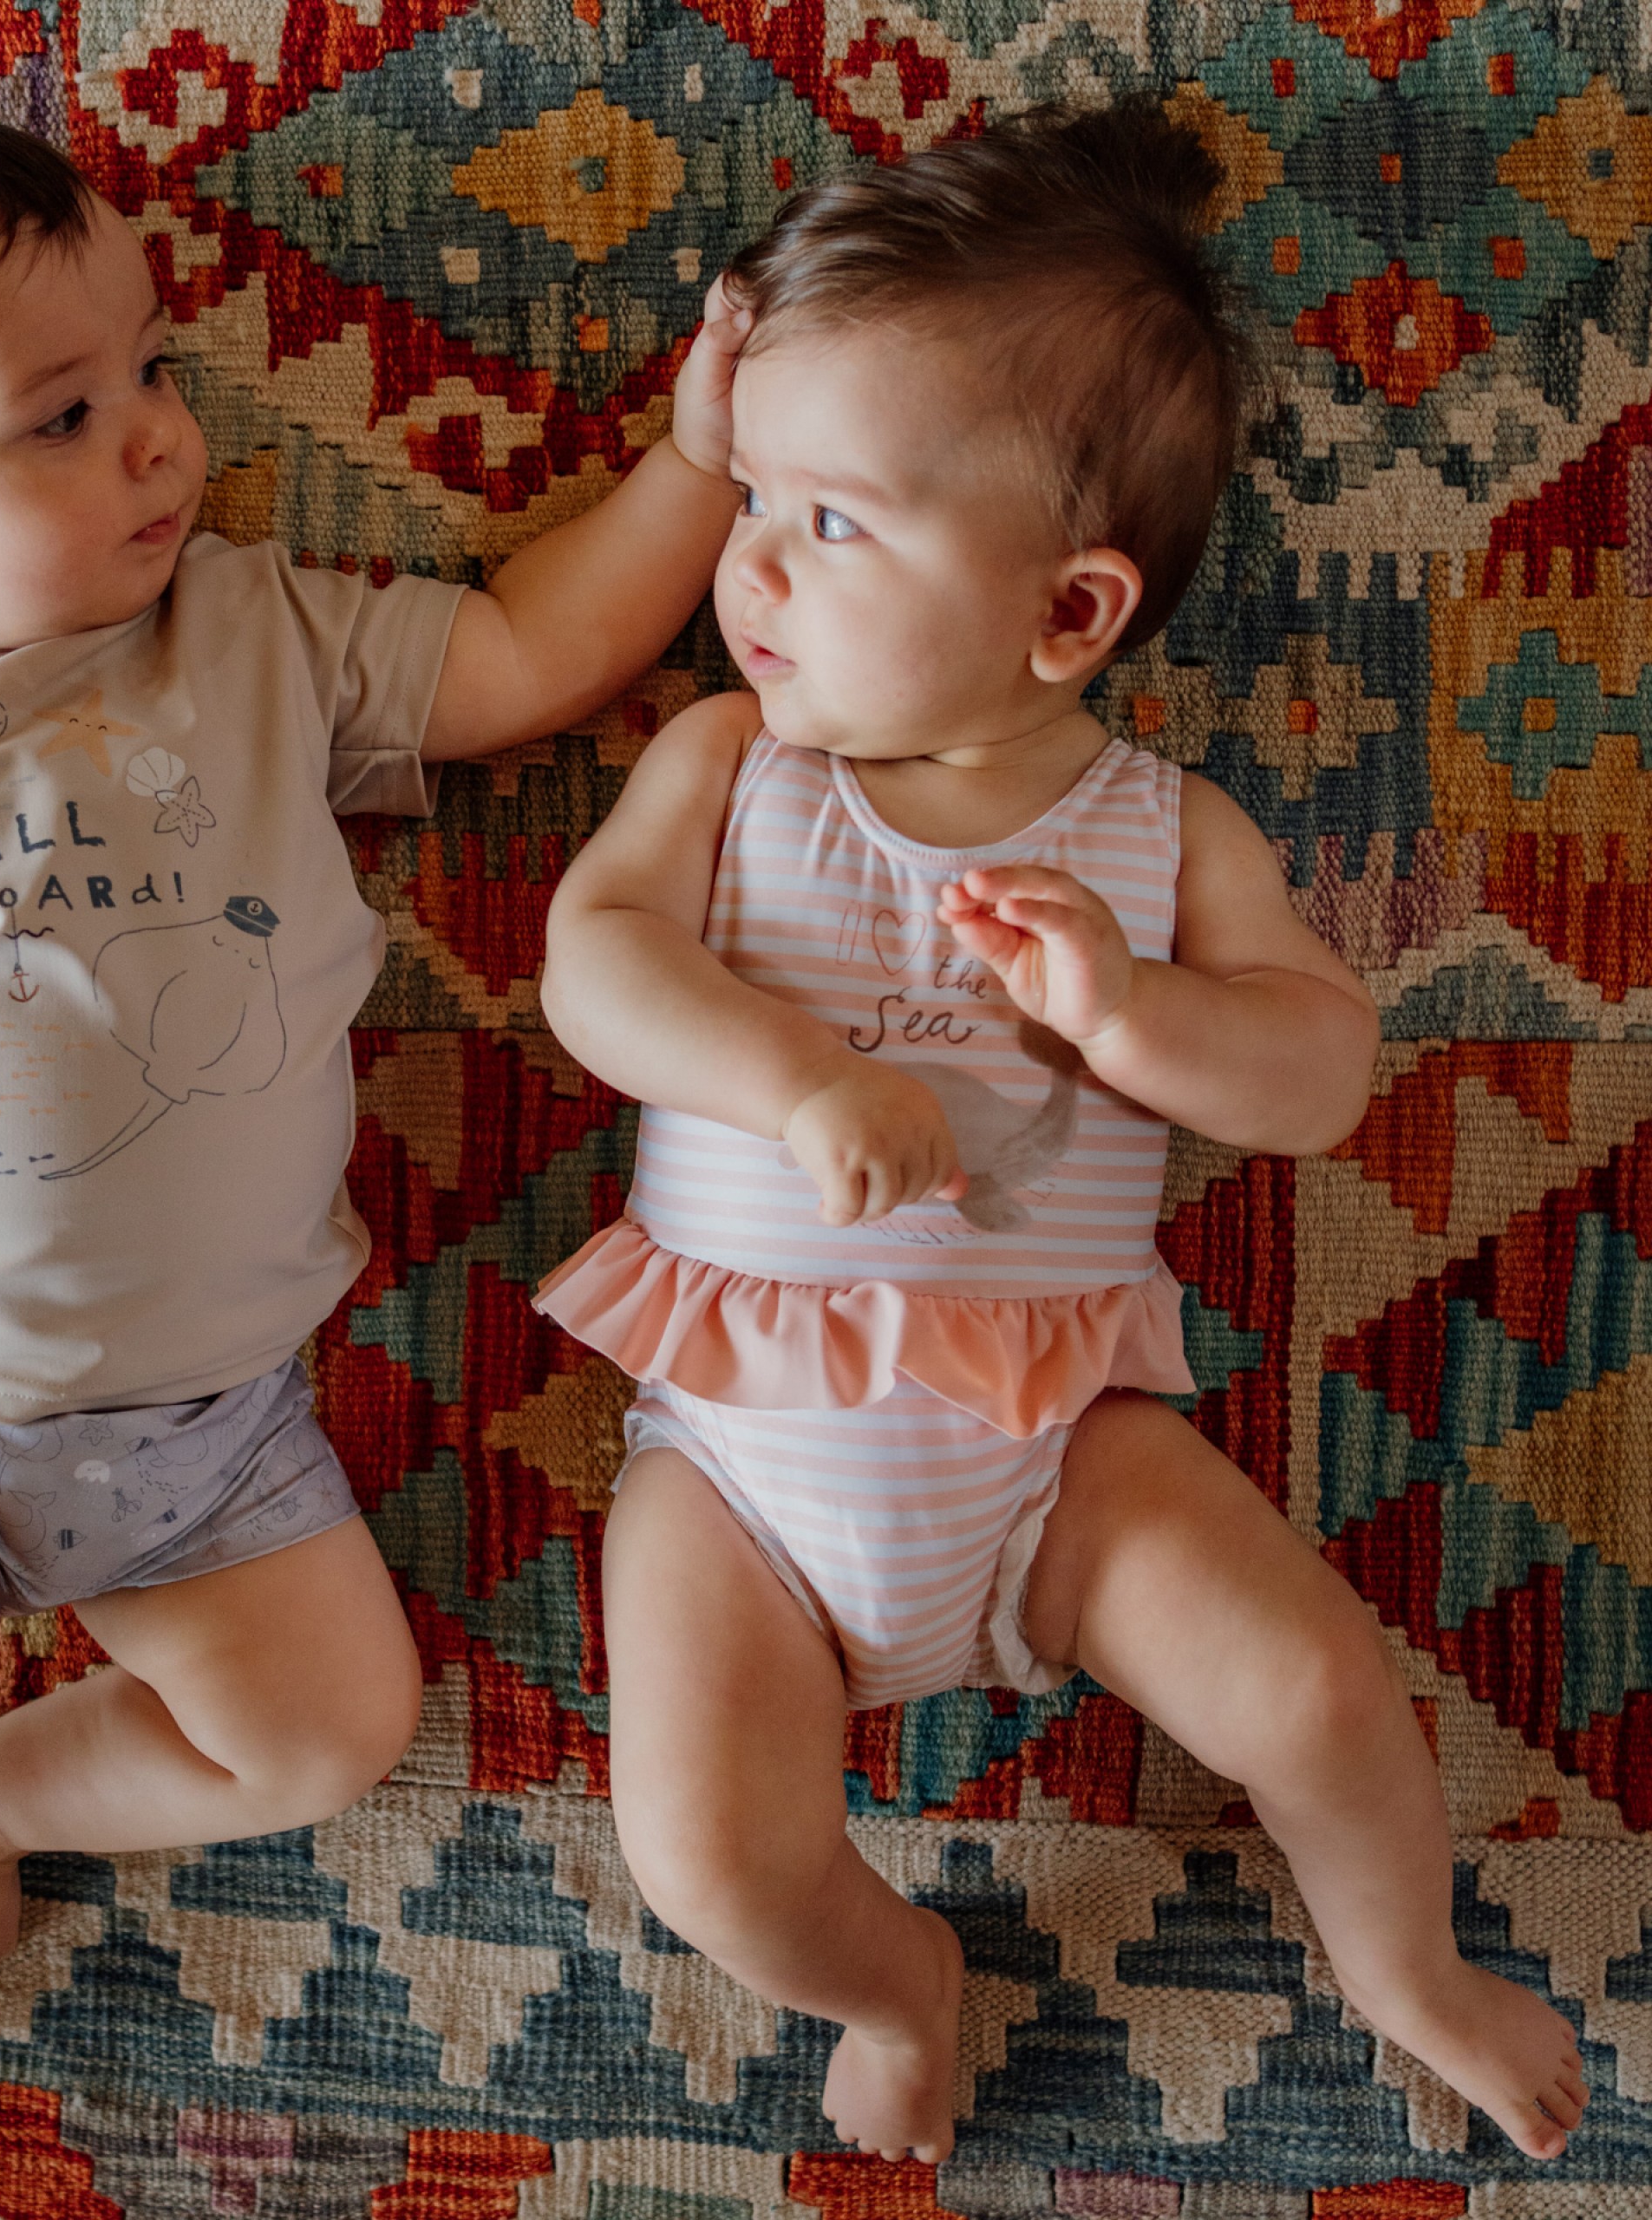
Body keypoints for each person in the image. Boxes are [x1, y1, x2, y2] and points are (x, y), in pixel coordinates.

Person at [535, 101, 1589, 2167]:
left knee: (1315, 1691)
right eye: (756, 497)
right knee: (708, 1849)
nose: (747, 565)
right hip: (743, 1457)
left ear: (1069, 610)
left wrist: (1130, 1008)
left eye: (832, 523)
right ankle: (890, 1971)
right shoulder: (730, 761)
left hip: (1065, 1452)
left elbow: (1317, 1074)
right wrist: (794, 1079)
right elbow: (595, 964)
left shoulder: (1157, 832)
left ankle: (1405, 1958)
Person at [0, 121, 742, 1966]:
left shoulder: (245, 636)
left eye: (150, 366)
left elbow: (511, 650)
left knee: (329, 1724)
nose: (160, 433)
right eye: (57, 417)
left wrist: (703, 471)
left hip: (197, 1417)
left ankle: (2, 1791)